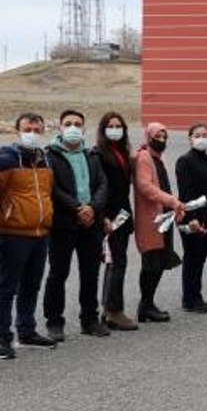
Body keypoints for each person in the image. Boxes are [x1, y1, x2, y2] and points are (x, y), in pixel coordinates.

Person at [42, 109, 110, 339]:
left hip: (91, 224)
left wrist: (92, 207)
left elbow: (102, 184)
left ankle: (89, 319)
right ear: (60, 127)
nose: (73, 128)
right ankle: (54, 322)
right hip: (63, 224)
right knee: (58, 273)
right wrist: (77, 208)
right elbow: (53, 188)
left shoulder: (92, 155)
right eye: (68, 123)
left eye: (78, 124)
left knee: (90, 273)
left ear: (84, 128)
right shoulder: (49, 156)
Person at [0, 112, 58, 357]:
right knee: (5, 287)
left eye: (36, 130)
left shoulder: (45, 161)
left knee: (31, 285)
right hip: (12, 233)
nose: (32, 134)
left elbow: (47, 194)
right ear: (17, 131)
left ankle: (26, 330)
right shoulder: (6, 160)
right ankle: (2, 337)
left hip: (40, 233)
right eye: (27, 129)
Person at [132, 123, 185, 322]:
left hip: (163, 216)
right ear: (149, 137)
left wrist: (174, 207)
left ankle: (148, 304)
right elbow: (145, 187)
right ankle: (145, 305)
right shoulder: (144, 157)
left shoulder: (157, 157)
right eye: (158, 137)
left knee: (160, 261)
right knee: (151, 262)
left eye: (164, 137)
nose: (161, 141)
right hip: (151, 219)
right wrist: (172, 201)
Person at [175, 122, 207, 313]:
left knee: (201, 258)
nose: (202, 138)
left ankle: (195, 295)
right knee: (192, 258)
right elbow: (186, 192)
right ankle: (190, 298)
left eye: (205, 135)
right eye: (198, 135)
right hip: (192, 219)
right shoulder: (184, 161)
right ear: (190, 139)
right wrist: (192, 218)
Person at [94, 112, 138, 330]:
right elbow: (98, 186)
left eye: (118, 126)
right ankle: (114, 311)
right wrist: (102, 216)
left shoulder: (122, 152)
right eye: (110, 126)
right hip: (109, 217)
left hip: (122, 215)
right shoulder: (98, 154)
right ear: (103, 130)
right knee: (116, 262)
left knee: (116, 262)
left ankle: (109, 309)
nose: (115, 129)